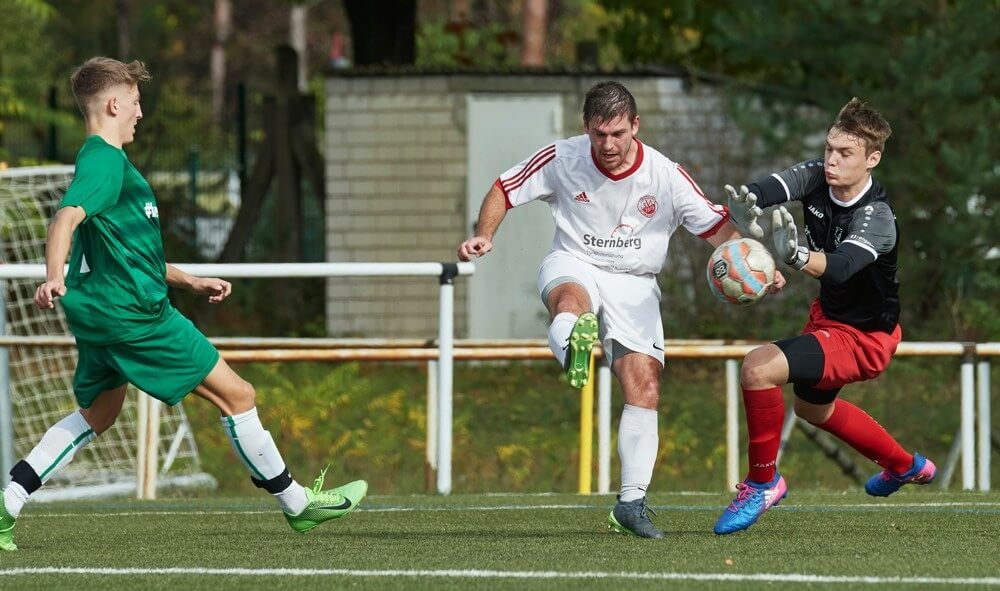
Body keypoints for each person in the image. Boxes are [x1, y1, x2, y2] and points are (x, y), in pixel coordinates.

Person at [0, 57, 367, 552]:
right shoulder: (105, 162)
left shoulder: (101, 162)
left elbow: (129, 251)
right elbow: (63, 220)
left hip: (102, 316)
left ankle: (9, 502)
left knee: (97, 416)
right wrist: (51, 278)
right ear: (113, 104)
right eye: (134, 101)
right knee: (238, 396)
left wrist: (189, 279)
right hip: (137, 317)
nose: (140, 113)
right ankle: (298, 505)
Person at [457, 81, 784, 539]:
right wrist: (485, 234)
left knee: (644, 384)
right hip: (575, 260)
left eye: (616, 134)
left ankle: (631, 503)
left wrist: (759, 266)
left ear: (636, 126)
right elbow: (504, 188)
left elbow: (716, 229)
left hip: (635, 282)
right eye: (597, 135)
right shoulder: (561, 158)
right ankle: (573, 341)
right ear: (585, 129)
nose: (607, 145)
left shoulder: (665, 175)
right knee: (571, 300)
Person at [713, 97, 935, 535]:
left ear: (872, 159)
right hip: (828, 319)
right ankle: (905, 465)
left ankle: (763, 483)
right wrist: (747, 205)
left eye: (845, 153)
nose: (831, 160)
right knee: (813, 411)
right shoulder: (819, 175)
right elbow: (775, 186)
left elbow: (840, 266)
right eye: (830, 148)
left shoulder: (878, 218)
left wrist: (793, 255)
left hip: (864, 338)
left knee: (758, 369)